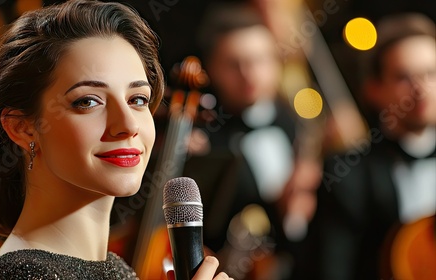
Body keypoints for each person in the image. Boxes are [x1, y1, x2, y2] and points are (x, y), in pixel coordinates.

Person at [0, 1, 232, 279]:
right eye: (88, 101)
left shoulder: (118, 271)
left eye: (138, 100)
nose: (128, 125)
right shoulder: (19, 275)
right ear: (22, 128)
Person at [183, 3, 322, 279]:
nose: (249, 74)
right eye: (234, 64)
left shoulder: (294, 120)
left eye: (259, 60)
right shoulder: (198, 135)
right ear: (211, 67)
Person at [312, 13, 435, 280]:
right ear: (374, 89)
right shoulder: (347, 173)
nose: (421, 88)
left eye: (431, 73)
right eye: (404, 76)